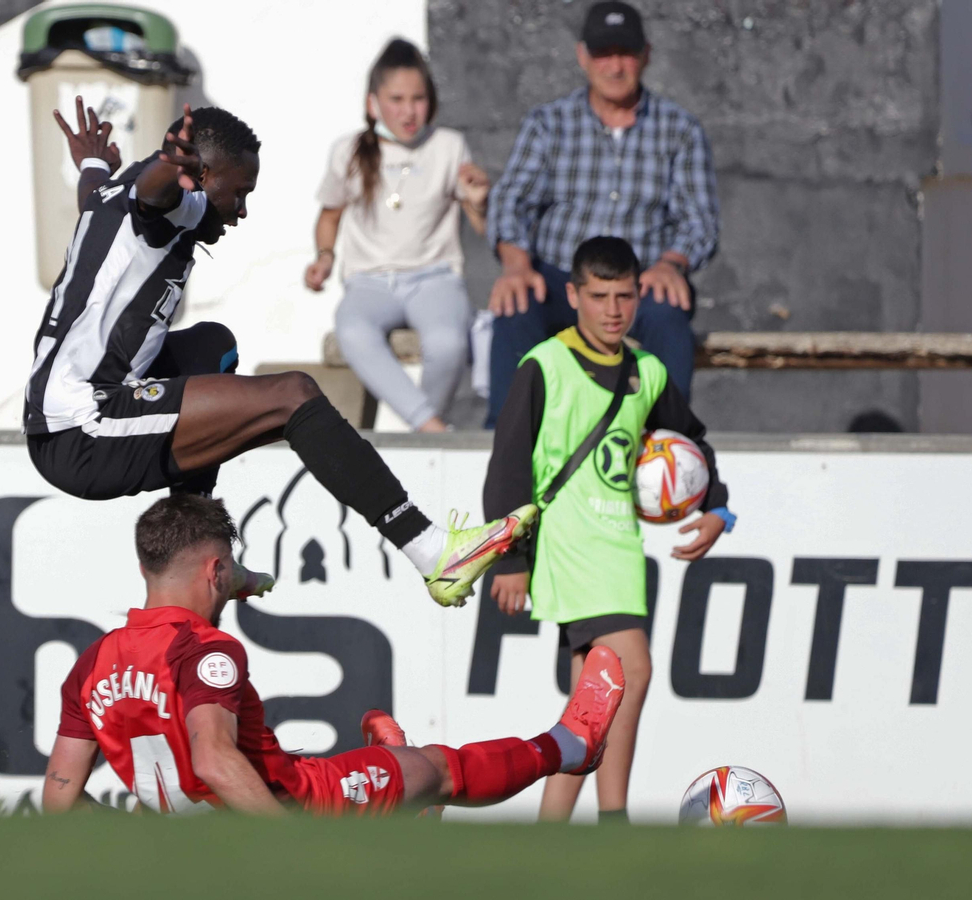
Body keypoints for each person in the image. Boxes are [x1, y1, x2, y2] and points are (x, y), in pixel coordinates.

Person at [27, 99, 534, 607]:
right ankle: (432, 553)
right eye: (239, 193)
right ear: (199, 176)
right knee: (293, 395)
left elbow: (98, 189)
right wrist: (167, 166)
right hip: (82, 430)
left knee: (212, 346)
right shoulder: (171, 201)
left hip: (69, 411)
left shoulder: (111, 192)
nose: (241, 211)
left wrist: (92, 160)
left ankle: (204, 549)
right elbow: (154, 193)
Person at [40, 494, 626, 816]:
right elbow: (214, 759)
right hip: (295, 804)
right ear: (216, 570)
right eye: (230, 569)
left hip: (193, 850)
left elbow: (59, 800)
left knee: (399, 784)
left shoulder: (93, 663)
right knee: (437, 769)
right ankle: (572, 744)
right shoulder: (204, 650)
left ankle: (397, 787)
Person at [482, 236, 735, 823]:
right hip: (569, 544)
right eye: (599, 297)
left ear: (639, 295)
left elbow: (692, 440)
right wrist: (510, 559)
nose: (613, 310)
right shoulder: (544, 365)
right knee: (632, 670)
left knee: (591, 702)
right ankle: (614, 821)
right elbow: (507, 467)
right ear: (573, 296)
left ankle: (551, 832)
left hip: (620, 545)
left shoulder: (647, 371)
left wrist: (717, 508)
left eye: (624, 296)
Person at [485, 0, 720, 428]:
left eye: (625, 53)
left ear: (646, 55)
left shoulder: (680, 129)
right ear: (582, 56)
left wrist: (671, 264)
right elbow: (510, 200)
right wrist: (516, 265)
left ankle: (668, 442)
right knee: (515, 304)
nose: (614, 66)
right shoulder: (548, 123)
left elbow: (699, 221)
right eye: (603, 54)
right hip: (561, 278)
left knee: (668, 314)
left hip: (640, 280)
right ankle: (505, 437)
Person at [304, 39, 490, 433]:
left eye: (418, 99)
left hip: (435, 278)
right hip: (369, 281)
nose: (409, 111)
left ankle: (423, 432)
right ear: (373, 103)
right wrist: (324, 257)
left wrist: (479, 203)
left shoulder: (449, 145)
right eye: (397, 99)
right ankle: (431, 430)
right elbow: (330, 215)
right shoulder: (349, 149)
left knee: (448, 343)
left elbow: (484, 231)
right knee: (352, 329)